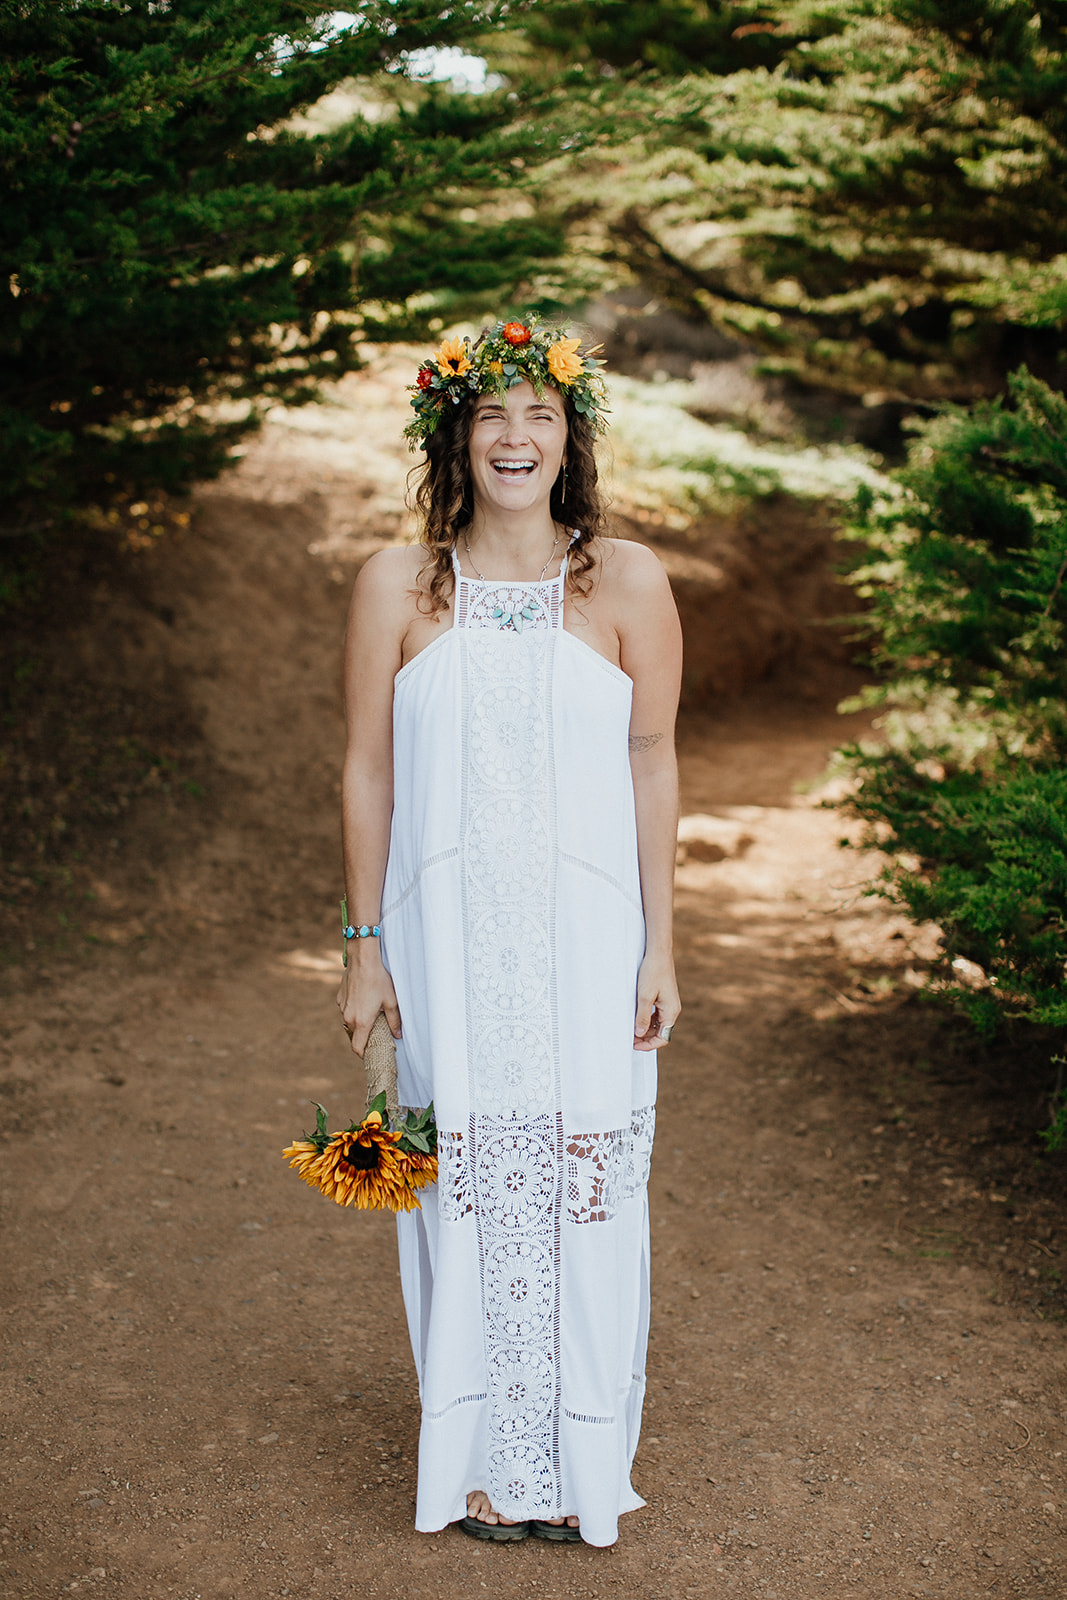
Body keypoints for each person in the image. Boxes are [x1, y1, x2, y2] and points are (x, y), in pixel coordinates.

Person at [336, 317, 682, 1548]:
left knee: (585, 1193)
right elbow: (367, 773)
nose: (515, 436)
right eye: (492, 415)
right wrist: (363, 944)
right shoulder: (399, 584)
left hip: (588, 943)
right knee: (466, 1188)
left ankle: (576, 1469)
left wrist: (660, 945)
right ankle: (482, 1466)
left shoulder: (628, 581)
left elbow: (651, 763)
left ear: (569, 437)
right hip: (446, 950)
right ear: (456, 435)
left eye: (539, 414)